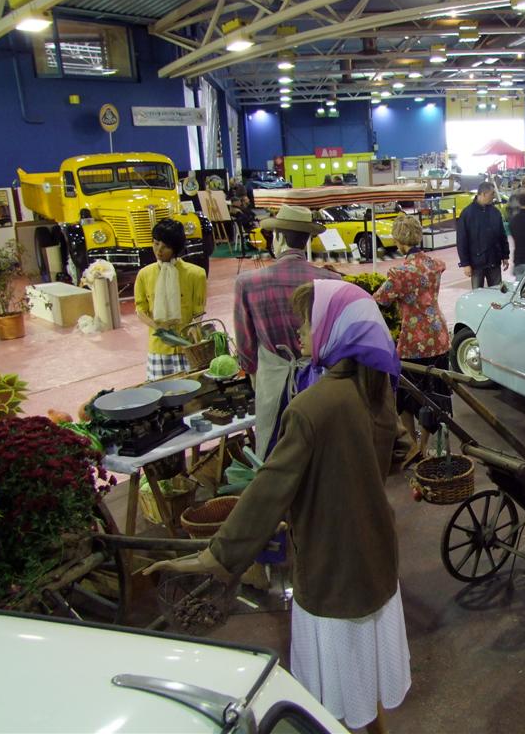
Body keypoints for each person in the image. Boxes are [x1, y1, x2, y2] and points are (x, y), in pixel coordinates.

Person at [145, 279, 409, 734]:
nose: (300, 333)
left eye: (307, 323)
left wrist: (216, 556)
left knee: (336, 688)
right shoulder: (375, 389)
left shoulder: (312, 407)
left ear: (334, 330)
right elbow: (396, 451)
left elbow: (269, 490)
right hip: (376, 554)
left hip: (329, 567)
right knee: (367, 675)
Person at [233, 205, 340, 458]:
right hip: (319, 383)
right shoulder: (331, 281)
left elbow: (245, 344)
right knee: (317, 452)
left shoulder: (247, 283)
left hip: (273, 383)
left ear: (279, 238)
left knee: (275, 453)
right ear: (306, 240)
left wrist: (251, 371)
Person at [373, 215, 451, 462]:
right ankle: (425, 445)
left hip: (413, 341)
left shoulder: (400, 273)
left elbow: (379, 300)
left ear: (398, 241)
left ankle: (413, 445)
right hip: (439, 335)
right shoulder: (435, 264)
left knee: (406, 395)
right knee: (434, 394)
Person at [134, 219, 208, 380]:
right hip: (159, 348)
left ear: (176, 248)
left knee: (191, 390)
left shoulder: (196, 274)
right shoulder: (144, 275)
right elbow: (140, 309)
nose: (159, 250)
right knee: (160, 390)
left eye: (166, 246)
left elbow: (199, 309)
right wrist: (158, 328)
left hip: (188, 346)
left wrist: (195, 326)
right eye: (156, 243)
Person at [456, 181, 509, 288]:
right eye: (492, 194)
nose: (494, 196)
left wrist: (505, 255)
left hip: (494, 261)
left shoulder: (495, 212)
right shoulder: (467, 214)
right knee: (477, 294)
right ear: (484, 194)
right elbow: (462, 240)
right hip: (476, 264)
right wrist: (465, 263)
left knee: (496, 292)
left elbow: (502, 235)